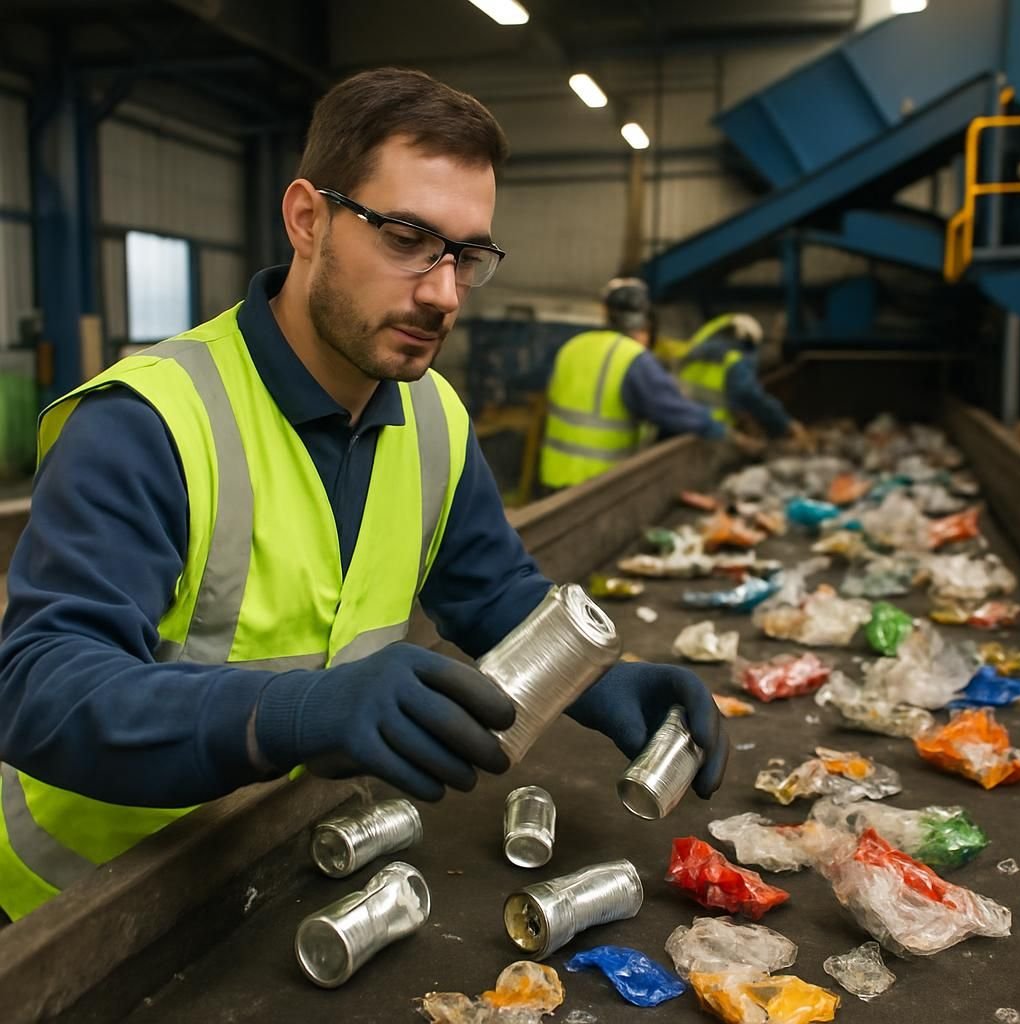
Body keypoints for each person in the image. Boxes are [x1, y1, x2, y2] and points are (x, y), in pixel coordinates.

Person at [0, 68, 728, 922]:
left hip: (278, 874)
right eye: (407, 238)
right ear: (308, 218)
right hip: (83, 909)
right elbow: (42, 689)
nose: (443, 292)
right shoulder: (150, 422)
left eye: (467, 255)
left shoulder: (432, 416)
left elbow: (489, 590)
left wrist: (601, 680)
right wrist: (293, 713)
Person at [538, 277, 737, 490]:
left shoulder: (573, 346)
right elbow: (674, 411)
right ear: (644, 323)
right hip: (598, 483)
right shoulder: (633, 357)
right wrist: (718, 429)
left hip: (553, 475)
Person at [655, 313, 810, 447]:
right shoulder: (734, 358)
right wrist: (784, 424)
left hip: (678, 425)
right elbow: (748, 394)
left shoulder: (694, 351)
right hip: (713, 431)